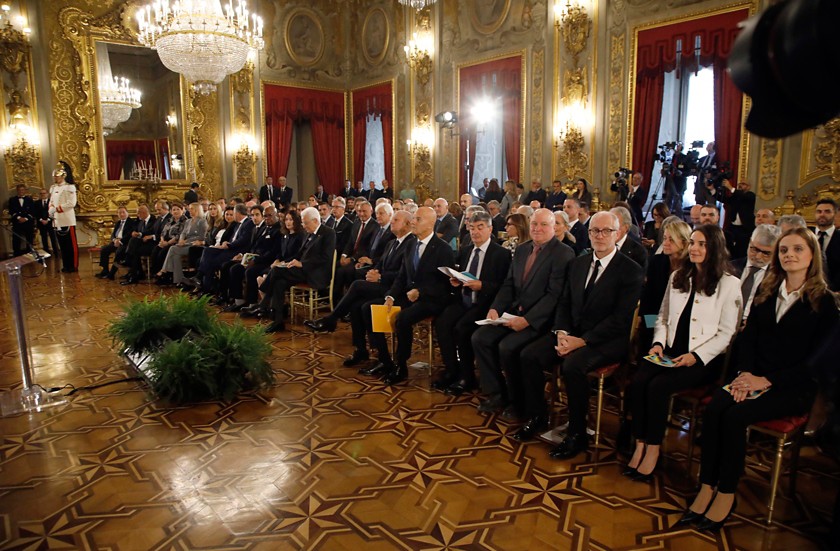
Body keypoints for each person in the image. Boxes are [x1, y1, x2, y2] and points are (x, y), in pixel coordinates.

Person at [682, 227, 839, 531]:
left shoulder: (825, 302)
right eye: (784, 250)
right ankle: (706, 487)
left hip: (791, 387)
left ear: (812, 257)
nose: (789, 255)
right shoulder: (767, 291)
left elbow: (815, 363)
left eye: (797, 250)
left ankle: (727, 493)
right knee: (715, 409)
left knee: (735, 417)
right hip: (750, 377)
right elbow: (749, 340)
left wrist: (765, 381)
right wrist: (744, 374)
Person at [516, 212, 644, 450]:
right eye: (595, 230)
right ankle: (537, 415)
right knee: (529, 355)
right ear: (589, 233)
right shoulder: (578, 263)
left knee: (573, 366)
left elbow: (620, 319)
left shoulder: (630, 271)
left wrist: (582, 341)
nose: (600, 235)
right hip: (571, 333)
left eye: (606, 231)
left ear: (617, 234)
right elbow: (564, 302)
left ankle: (577, 432)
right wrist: (562, 332)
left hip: (607, 340)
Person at [626, 224, 741, 481]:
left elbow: (726, 333)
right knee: (640, 381)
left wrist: (695, 357)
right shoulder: (679, 276)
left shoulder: (729, 284)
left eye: (702, 244)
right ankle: (640, 443)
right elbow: (663, 318)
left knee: (658, 387)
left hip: (701, 358)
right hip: (669, 349)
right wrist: (657, 344)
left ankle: (654, 448)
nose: (695, 249)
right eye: (692, 243)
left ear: (714, 248)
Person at [472, 209, 575, 418]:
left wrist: (527, 320)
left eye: (544, 225)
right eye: (534, 224)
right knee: (480, 338)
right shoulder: (521, 249)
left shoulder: (562, 253)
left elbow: (554, 296)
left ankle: (519, 401)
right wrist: (495, 308)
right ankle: (498, 393)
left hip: (541, 322)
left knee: (507, 347)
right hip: (513, 314)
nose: (537, 228)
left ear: (554, 227)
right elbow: (509, 284)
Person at [304, 210, 415, 366]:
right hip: (383, 285)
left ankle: (331, 319)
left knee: (356, 285)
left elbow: (405, 274)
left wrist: (381, 277)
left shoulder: (411, 243)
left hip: (397, 290)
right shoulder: (392, 242)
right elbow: (381, 264)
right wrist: (374, 270)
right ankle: (361, 350)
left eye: (396, 220)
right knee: (357, 306)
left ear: (408, 224)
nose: (392, 222)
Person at [362, 206, 455, 384]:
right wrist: (390, 296)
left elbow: (444, 285)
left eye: (418, 219)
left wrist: (421, 291)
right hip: (409, 295)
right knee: (370, 309)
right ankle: (384, 359)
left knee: (402, 318)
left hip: (432, 299)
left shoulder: (443, 249)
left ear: (431, 224)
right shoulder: (411, 244)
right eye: (413, 218)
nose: (413, 222)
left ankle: (401, 365)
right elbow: (402, 275)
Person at [432, 212, 512, 395]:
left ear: (490, 229)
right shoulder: (467, 249)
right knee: (442, 323)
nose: (475, 232)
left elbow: (504, 286)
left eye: (480, 227)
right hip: (463, 299)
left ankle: (468, 377)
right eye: (472, 228)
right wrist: (455, 280)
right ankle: (453, 370)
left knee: (461, 328)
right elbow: (461, 272)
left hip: (485, 303)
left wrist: (482, 285)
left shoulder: (501, 254)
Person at [250, 207, 336, 332]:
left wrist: (302, 264)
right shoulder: (308, 233)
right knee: (279, 282)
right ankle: (278, 322)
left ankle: (263, 304)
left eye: (305, 223)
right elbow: (299, 253)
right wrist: (289, 262)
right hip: (301, 270)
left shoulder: (328, 233)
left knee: (276, 271)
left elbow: (325, 258)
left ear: (315, 221)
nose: (303, 225)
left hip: (316, 273)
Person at [731, 224, 781, 321]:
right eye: (754, 249)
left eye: (766, 253)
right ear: (750, 242)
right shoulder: (729, 268)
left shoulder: (778, 278)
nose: (758, 256)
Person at [157, 203, 208, 286]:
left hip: (194, 245)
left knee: (173, 248)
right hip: (184, 244)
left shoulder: (202, 221)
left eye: (191, 209)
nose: (189, 211)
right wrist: (181, 240)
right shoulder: (188, 221)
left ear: (197, 210)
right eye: (189, 209)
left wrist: (186, 241)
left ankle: (164, 269)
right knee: (175, 256)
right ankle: (179, 280)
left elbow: (201, 237)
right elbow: (183, 233)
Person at [48, 161, 79, 272]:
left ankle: (73, 265)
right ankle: (66, 265)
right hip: (57, 221)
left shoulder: (69, 187)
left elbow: (71, 203)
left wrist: (56, 208)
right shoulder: (53, 188)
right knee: (62, 245)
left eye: (57, 176)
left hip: (67, 219)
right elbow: (51, 201)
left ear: (63, 176)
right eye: (54, 177)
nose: (55, 179)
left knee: (71, 245)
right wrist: (51, 209)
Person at [715, 180, 756, 258]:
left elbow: (744, 197)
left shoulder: (751, 195)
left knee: (742, 250)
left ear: (749, 187)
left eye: (743, 184)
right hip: (733, 227)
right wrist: (712, 190)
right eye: (739, 184)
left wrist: (730, 187)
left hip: (745, 229)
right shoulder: (736, 196)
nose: (740, 185)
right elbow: (724, 200)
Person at [96, 206, 134, 280]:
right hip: (116, 242)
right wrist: (114, 240)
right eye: (120, 213)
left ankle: (112, 273)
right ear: (117, 214)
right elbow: (113, 234)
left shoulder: (131, 222)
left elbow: (129, 234)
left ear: (127, 213)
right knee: (104, 249)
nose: (122, 214)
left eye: (123, 212)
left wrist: (120, 241)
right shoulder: (118, 222)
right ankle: (105, 270)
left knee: (119, 252)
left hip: (125, 243)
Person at [150, 202, 187, 276]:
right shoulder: (170, 220)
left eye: (178, 209)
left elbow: (179, 235)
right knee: (155, 251)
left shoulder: (185, 221)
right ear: (171, 211)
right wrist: (162, 241)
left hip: (175, 243)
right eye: (174, 210)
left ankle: (164, 274)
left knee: (162, 253)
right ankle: (155, 272)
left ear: (182, 210)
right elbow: (163, 232)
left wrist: (168, 243)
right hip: (165, 241)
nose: (175, 211)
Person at [813, 198, 840, 291]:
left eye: (827, 211)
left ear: (835, 214)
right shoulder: (806, 234)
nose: (822, 214)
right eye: (819, 211)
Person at [611, 206, 648, 271]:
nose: (610, 229)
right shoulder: (601, 245)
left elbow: (639, 277)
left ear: (626, 227)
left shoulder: (639, 252)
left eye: (615, 225)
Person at [8, 184, 35, 257]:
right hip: (17, 222)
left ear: (25, 191)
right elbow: (11, 211)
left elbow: (32, 211)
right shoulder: (12, 200)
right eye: (19, 190)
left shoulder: (29, 200)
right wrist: (19, 218)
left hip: (28, 222)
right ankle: (16, 254)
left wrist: (25, 219)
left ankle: (30, 252)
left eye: (23, 190)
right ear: (17, 191)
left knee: (29, 238)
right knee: (16, 239)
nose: (21, 191)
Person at [35, 188, 58, 255]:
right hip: (41, 223)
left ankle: (56, 252)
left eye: (44, 193)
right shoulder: (37, 203)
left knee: (53, 238)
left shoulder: (52, 202)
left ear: (47, 194)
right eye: (41, 193)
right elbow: (36, 213)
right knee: (44, 238)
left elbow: (54, 212)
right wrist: (41, 220)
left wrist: (48, 219)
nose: (43, 195)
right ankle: (46, 252)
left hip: (50, 223)